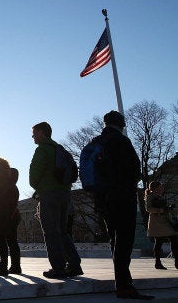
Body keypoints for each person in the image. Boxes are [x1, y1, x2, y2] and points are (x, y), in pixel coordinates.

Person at [93, 111, 154, 299]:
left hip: (103, 199)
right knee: (124, 241)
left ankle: (122, 282)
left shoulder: (96, 142)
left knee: (114, 240)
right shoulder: (121, 141)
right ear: (121, 124)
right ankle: (124, 285)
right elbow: (134, 169)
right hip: (122, 197)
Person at [30, 121, 82, 279]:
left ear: (42, 133)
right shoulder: (60, 149)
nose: (32, 136)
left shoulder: (42, 149)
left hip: (49, 194)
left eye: (35, 132)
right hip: (65, 194)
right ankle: (74, 265)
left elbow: (34, 176)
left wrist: (37, 187)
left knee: (51, 232)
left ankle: (58, 268)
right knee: (63, 231)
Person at [144, 181, 177, 270]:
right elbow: (148, 208)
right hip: (156, 222)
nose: (161, 189)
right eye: (160, 187)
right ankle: (158, 262)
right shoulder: (150, 196)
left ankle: (175, 261)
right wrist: (162, 210)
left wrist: (168, 208)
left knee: (173, 238)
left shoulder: (160, 196)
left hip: (164, 221)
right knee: (159, 241)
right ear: (155, 188)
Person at [5, 168, 22, 274]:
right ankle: (15, 265)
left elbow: (10, 206)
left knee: (11, 242)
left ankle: (15, 266)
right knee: (12, 242)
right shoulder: (13, 187)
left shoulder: (10, 188)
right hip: (13, 217)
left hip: (10, 218)